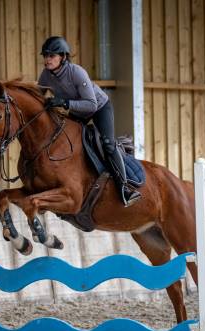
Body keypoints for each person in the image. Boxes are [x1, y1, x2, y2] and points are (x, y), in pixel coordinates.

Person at [37, 36, 141, 207]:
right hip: (77, 111)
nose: (47, 60)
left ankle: (125, 188)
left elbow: (91, 105)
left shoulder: (76, 72)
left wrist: (65, 103)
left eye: (51, 56)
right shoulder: (46, 75)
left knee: (107, 144)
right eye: (45, 56)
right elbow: (38, 96)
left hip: (99, 108)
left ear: (63, 57)